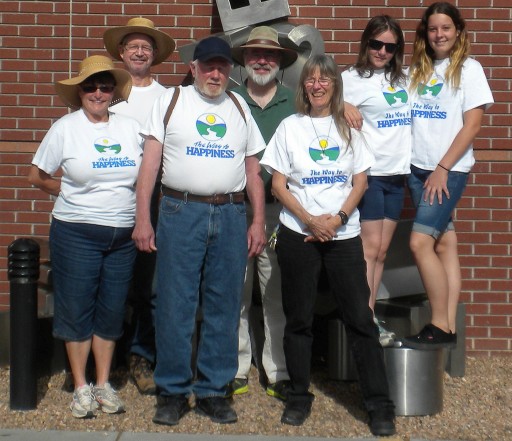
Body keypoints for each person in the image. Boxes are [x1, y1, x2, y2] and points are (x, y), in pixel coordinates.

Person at [132, 36, 267, 426]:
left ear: (230, 70)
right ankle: (173, 390)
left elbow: (253, 171)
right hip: (179, 210)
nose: (215, 73)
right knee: (175, 303)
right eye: (208, 65)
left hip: (229, 213)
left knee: (224, 304)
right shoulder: (171, 102)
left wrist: (257, 221)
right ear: (193, 68)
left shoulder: (239, 106)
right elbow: (149, 168)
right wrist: (144, 217)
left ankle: (213, 390)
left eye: (222, 66)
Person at [260, 55, 396, 437]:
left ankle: (379, 404)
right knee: (298, 319)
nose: (317, 85)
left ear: (336, 85)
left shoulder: (349, 128)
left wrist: (335, 220)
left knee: (359, 319)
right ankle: (299, 396)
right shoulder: (290, 127)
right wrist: (310, 221)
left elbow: (360, 183)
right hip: (298, 233)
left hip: (343, 235)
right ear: (303, 86)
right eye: (311, 80)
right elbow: (278, 185)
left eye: (325, 79)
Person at [28, 55, 142, 418]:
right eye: (90, 86)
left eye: (105, 86)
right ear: (79, 91)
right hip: (76, 233)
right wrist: (70, 191)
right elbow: (37, 175)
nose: (98, 92)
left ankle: (103, 382)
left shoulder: (130, 127)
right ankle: (80, 386)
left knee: (110, 310)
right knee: (76, 308)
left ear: (113, 93)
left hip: (122, 236)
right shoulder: (66, 128)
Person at [403, 2, 493, 349]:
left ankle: (439, 324)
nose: (439, 35)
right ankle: (451, 327)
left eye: (446, 28)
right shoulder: (418, 70)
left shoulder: (470, 69)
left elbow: (472, 126)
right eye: (432, 29)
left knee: (419, 243)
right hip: (417, 169)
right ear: (425, 33)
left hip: (447, 171)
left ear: (458, 32)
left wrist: (442, 169)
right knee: (444, 242)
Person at [103, 16, 176, 396]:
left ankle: (141, 355)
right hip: (111, 199)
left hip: (155, 200)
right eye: (133, 45)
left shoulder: (166, 97)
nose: (139, 51)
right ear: (121, 52)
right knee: (112, 282)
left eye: (146, 46)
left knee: (149, 285)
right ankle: (104, 361)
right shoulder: (108, 92)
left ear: (155, 55)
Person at [228, 25, 298, 399]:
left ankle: (277, 369)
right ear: (244, 60)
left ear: (279, 62)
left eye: (269, 55)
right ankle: (236, 368)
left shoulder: (295, 101)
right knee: (235, 293)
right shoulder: (228, 99)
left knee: (274, 294)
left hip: (278, 213)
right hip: (235, 211)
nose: (261, 60)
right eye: (255, 54)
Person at [342, 15, 411, 347]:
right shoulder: (351, 78)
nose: (382, 51)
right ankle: (364, 318)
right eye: (376, 44)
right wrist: (341, 103)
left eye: (389, 46)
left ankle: (369, 312)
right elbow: (317, 94)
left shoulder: (405, 78)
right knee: (369, 249)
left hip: (397, 176)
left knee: (382, 251)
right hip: (369, 175)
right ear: (365, 42)